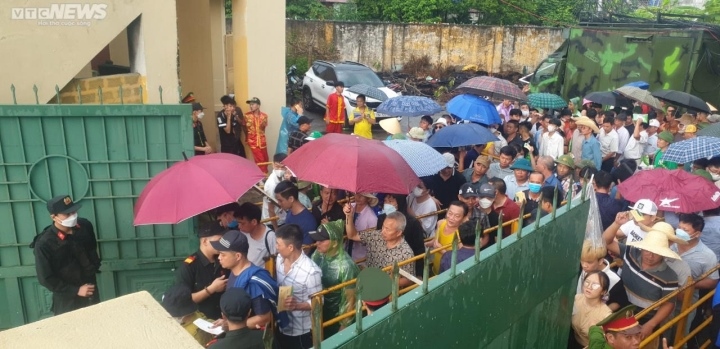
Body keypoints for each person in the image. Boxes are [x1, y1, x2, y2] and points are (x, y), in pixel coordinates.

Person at [603, 216, 681, 349]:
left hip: (645, 318)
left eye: (656, 253)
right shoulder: (630, 252)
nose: (650, 256)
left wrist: (650, 324)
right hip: (619, 310)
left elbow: (668, 304)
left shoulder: (670, 276)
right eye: (647, 250)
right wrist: (616, 223)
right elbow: (606, 241)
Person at [31, 194, 101, 315]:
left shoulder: (84, 226)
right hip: (67, 300)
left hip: (90, 291)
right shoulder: (44, 243)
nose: (72, 216)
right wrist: (76, 290)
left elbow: (92, 249)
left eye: (73, 211)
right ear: (54, 217)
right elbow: (46, 278)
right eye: (67, 214)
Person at [212, 230, 281, 330]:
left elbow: (265, 317)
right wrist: (227, 322)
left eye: (223, 254)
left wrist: (232, 325)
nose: (219, 258)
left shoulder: (253, 282)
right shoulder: (234, 271)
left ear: (238, 256)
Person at [275, 224, 322, 349]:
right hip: (281, 324)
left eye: (278, 244)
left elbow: (318, 302)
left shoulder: (311, 272)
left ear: (290, 247)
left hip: (300, 331)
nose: (276, 247)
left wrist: (297, 306)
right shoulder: (279, 259)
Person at [310, 220, 360, 337]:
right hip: (320, 312)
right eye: (317, 240)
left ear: (334, 243)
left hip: (336, 319)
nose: (317, 243)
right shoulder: (317, 255)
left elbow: (350, 301)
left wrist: (343, 329)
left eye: (321, 240)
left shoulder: (346, 267)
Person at [344, 209, 416, 287]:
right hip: (367, 281)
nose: (383, 231)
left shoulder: (406, 253)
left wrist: (385, 281)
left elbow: (408, 280)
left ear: (399, 232)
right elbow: (352, 235)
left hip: (387, 290)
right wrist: (349, 216)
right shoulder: (376, 236)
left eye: (387, 229)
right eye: (383, 226)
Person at [176, 221, 229, 320]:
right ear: (205, 241)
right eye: (219, 239)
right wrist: (211, 289)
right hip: (201, 322)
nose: (222, 243)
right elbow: (183, 300)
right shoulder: (189, 266)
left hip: (224, 320)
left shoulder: (223, 260)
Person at [378, 193, 426, 276]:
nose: (387, 204)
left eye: (391, 201)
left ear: (400, 202)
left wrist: (419, 274)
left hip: (406, 267)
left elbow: (419, 250)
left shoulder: (413, 223)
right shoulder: (382, 218)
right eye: (385, 201)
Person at [578, 241, 628, 311]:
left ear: (600, 261)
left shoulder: (614, 279)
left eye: (589, 262)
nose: (584, 265)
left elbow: (619, 302)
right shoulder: (584, 268)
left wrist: (600, 314)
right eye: (582, 261)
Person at [570, 271, 613, 348]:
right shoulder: (577, 299)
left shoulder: (606, 315)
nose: (589, 287)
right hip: (573, 341)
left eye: (595, 285)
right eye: (587, 282)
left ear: (603, 291)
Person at [429, 201, 469, 275]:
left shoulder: (461, 237)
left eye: (457, 216)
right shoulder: (440, 223)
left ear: (464, 218)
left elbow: (459, 261)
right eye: (450, 213)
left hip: (447, 272)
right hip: (435, 267)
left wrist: (442, 250)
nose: (451, 218)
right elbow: (435, 240)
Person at [274, 180, 317, 246]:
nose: (279, 203)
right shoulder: (290, 212)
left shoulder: (308, 221)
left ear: (291, 199)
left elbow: (306, 249)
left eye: (280, 200)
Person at [235, 202, 277, 268]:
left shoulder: (270, 237)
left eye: (242, 224)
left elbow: (276, 260)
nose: (239, 226)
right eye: (238, 223)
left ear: (254, 222)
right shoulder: (243, 234)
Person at [344, 192, 379, 262]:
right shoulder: (349, 207)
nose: (358, 197)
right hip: (345, 251)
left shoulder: (372, 218)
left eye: (362, 195)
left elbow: (368, 241)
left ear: (368, 198)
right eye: (357, 194)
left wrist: (349, 216)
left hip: (360, 258)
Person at [263, 153, 290, 228]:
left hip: (282, 216)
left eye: (283, 167)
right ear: (273, 164)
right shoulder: (271, 185)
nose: (280, 170)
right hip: (274, 222)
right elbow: (271, 209)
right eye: (277, 166)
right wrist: (276, 229)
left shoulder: (283, 176)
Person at [244, 97, 269, 173]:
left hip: (262, 141)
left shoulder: (264, 116)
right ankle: (263, 177)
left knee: (265, 159)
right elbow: (244, 128)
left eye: (253, 104)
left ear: (258, 105)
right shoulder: (247, 116)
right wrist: (247, 138)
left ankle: (263, 175)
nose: (251, 106)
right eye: (250, 105)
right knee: (260, 160)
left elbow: (263, 129)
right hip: (253, 141)